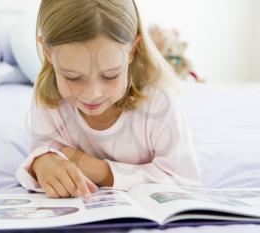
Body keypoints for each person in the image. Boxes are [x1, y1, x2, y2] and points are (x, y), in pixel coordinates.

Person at [16, 0, 201, 200]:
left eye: (110, 75)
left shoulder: (159, 98)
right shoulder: (49, 96)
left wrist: (99, 170)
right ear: (47, 54)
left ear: (132, 51)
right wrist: (42, 162)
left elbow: (184, 180)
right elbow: (46, 150)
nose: (92, 94)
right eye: (72, 77)